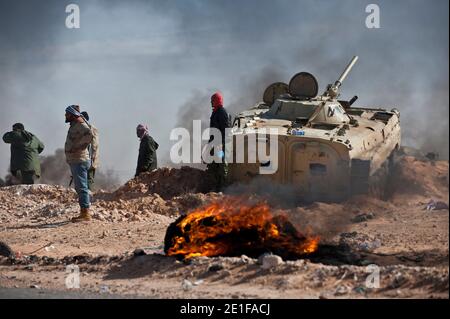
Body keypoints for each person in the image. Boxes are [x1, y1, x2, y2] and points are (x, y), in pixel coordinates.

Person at [65, 105, 94, 222]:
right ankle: (83, 212)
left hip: (79, 160)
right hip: (76, 160)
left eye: (67, 114)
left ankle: (85, 213)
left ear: (72, 114)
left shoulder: (80, 124)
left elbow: (89, 135)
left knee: (82, 187)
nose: (65, 116)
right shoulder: (75, 125)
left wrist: (78, 147)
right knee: (80, 186)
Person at [207, 92, 230, 191]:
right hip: (214, 144)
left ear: (217, 101)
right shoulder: (215, 112)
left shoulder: (222, 112)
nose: (211, 103)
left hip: (221, 145)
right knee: (212, 165)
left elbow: (226, 130)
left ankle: (223, 188)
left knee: (221, 165)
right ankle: (215, 187)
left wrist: (221, 143)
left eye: (213, 101)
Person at [80, 111, 99, 192]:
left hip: (89, 159)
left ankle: (89, 199)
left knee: (88, 180)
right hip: (85, 159)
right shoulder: (83, 129)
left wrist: (92, 159)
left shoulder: (90, 129)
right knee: (83, 180)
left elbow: (94, 146)